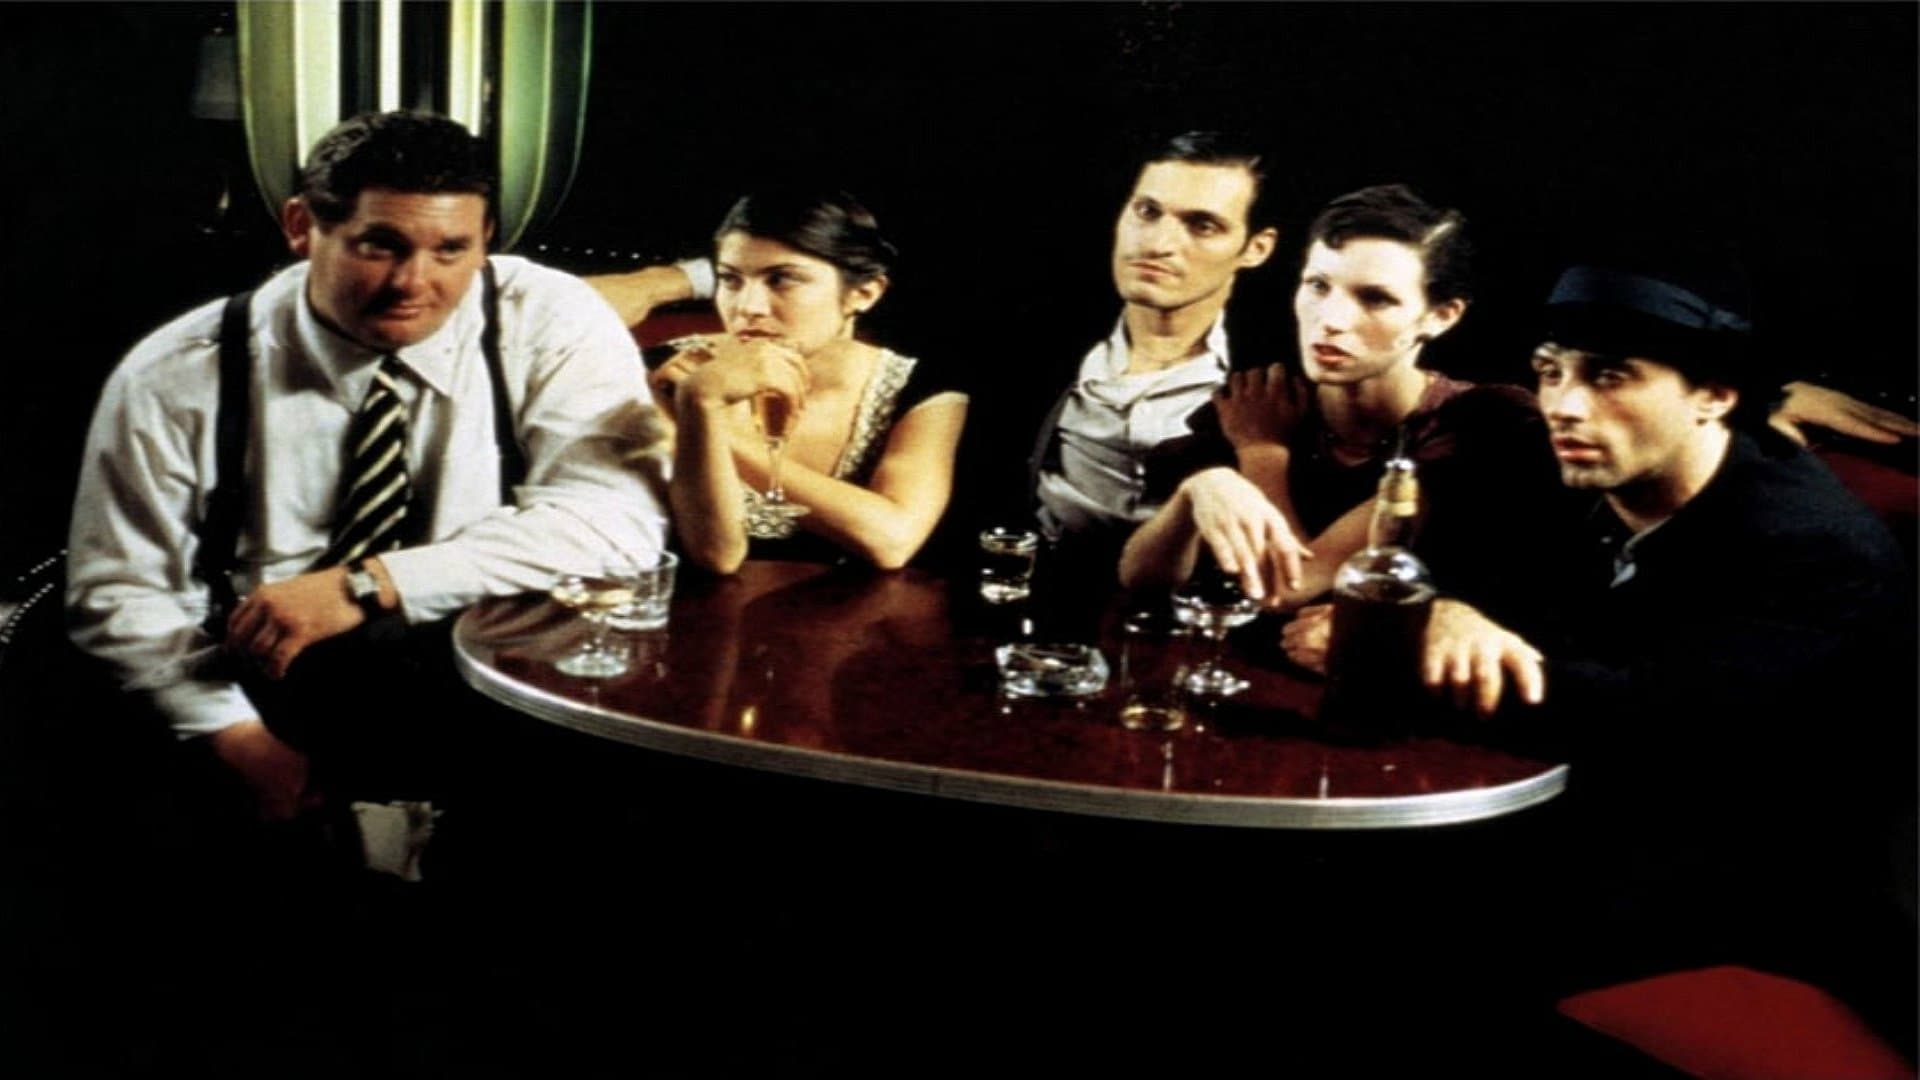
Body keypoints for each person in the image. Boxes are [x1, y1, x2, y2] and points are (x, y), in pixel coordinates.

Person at [1287, 254, 1915, 1047]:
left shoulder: (1817, 549)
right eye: (1551, 372)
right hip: (1569, 837)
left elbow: (1649, 726)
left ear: (1715, 396)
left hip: (1740, 901)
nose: (1566, 406)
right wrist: (1430, 619)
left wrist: (1412, 641)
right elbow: (1450, 593)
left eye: (1612, 377)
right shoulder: (1559, 476)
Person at [66, 110, 668, 822]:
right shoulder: (177, 372)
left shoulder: (547, 318)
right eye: (380, 246)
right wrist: (233, 737)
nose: (413, 282)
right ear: (301, 227)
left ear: (485, 241)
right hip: (262, 686)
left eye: (451, 250)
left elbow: (617, 523)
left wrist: (372, 584)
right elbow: (123, 593)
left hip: (492, 685)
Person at [1119, 185, 1559, 625]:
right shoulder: (1262, 403)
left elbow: (1287, 586)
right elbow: (1141, 578)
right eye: (1318, 286)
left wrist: (1261, 452)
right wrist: (1198, 489)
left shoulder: (1479, 422)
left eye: (1376, 299)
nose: (1331, 320)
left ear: (1439, 316)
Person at [642, 188, 967, 573]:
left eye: (782, 280)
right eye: (731, 280)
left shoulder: (921, 390)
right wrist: (700, 400)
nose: (748, 307)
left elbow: (892, 540)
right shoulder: (666, 371)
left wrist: (703, 417)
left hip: (851, 611)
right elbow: (717, 554)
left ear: (863, 294)